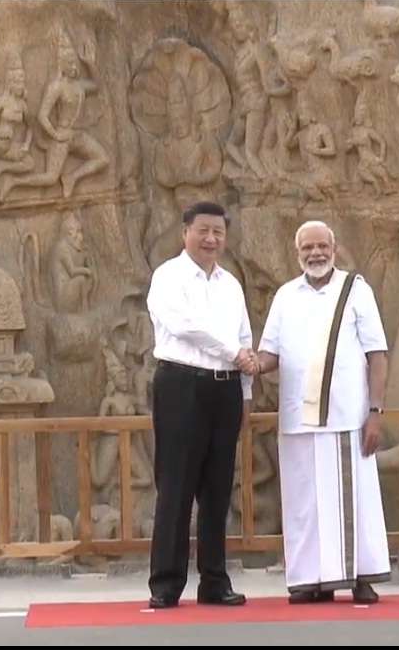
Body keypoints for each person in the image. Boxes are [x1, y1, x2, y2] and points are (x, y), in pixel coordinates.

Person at [254, 220, 391, 604]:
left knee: (353, 499)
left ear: (334, 248)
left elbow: (376, 353)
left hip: (347, 416)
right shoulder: (285, 296)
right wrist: (249, 361)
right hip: (299, 418)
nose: (315, 254)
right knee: (304, 503)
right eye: (307, 248)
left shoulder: (355, 291)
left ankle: (360, 576)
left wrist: (376, 411)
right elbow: (270, 354)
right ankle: (310, 580)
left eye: (321, 246)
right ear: (296, 253)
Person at [145, 201, 255, 609]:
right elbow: (183, 326)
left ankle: (214, 580)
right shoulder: (168, 276)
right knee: (175, 484)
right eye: (203, 231)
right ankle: (166, 583)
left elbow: (244, 337)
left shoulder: (230, 284)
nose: (211, 239)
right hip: (182, 385)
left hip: (224, 389)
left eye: (218, 233)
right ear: (185, 232)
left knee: (218, 488)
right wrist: (234, 353)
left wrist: (245, 393)